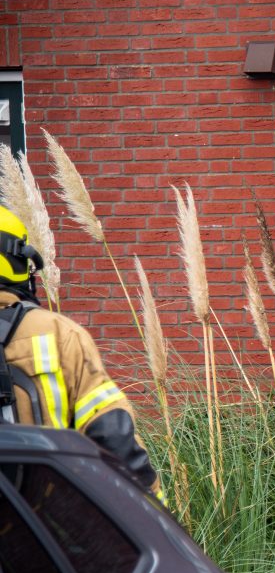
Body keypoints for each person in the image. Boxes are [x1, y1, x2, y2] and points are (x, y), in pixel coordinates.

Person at [0, 206, 161, 497]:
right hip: (42, 532)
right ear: (17, 259)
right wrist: (159, 520)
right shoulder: (59, 335)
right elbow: (113, 437)